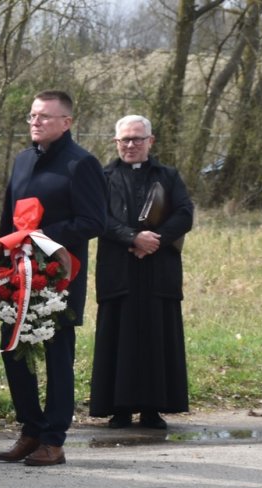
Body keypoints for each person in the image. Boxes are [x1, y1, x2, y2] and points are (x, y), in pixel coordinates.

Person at [0, 90, 105, 467]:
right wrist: (0, 259)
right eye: (32, 115)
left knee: (57, 357)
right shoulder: (23, 160)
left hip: (59, 278)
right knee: (13, 351)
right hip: (17, 274)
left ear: (66, 122)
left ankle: (54, 439)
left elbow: (94, 221)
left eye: (44, 116)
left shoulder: (81, 163)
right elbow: (8, 218)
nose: (35, 122)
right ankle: (31, 429)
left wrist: (43, 237)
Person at [90, 115, 193, 430]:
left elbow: (184, 214)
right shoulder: (103, 177)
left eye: (137, 138)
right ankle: (118, 409)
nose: (131, 145)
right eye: (125, 139)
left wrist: (154, 241)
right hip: (118, 271)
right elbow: (97, 217)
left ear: (151, 141)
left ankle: (153, 409)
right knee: (118, 338)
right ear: (116, 142)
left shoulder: (168, 176)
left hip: (158, 271)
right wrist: (132, 238)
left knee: (156, 338)